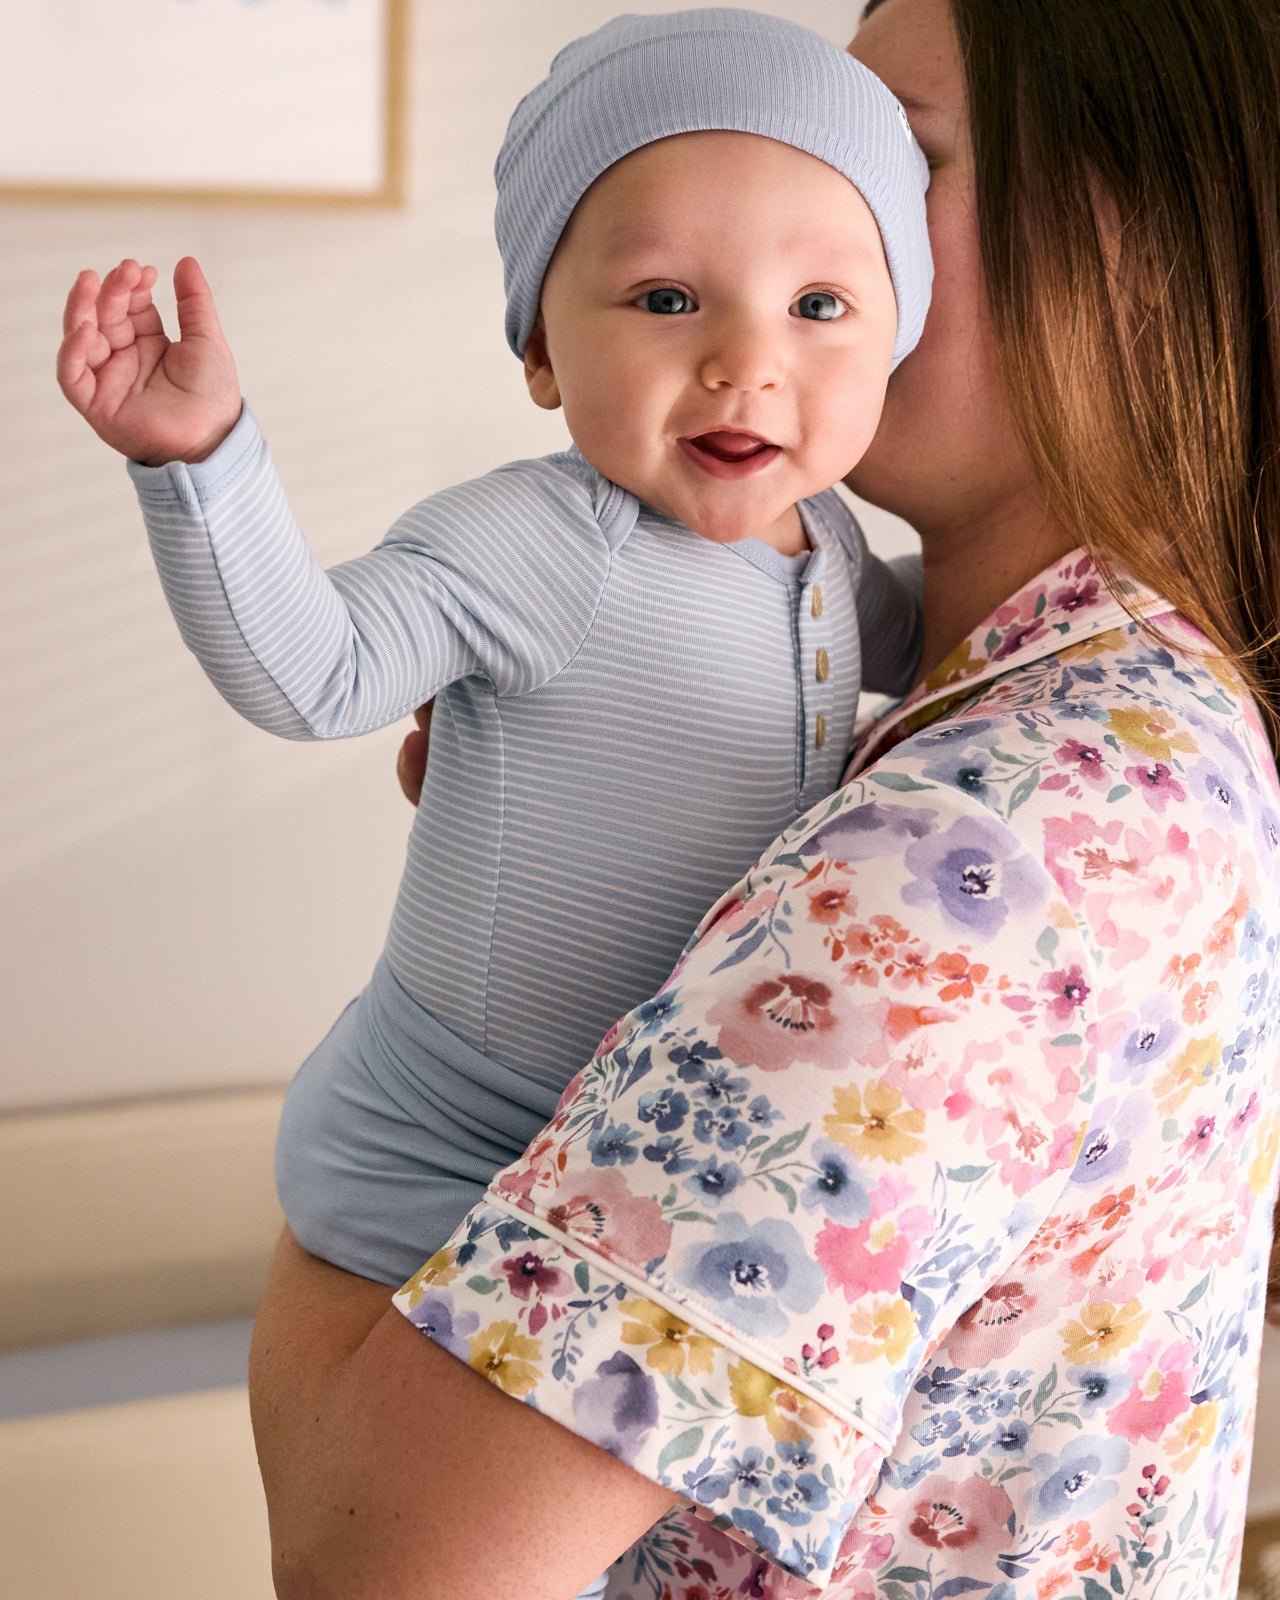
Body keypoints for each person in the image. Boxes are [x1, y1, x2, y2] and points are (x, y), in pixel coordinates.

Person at [231, 0, 1280, 1595]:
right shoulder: (1149, 717)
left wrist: (404, 1123)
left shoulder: (977, 850)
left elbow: (372, 1556)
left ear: (1141, 239)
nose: (789, 193)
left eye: (893, 158)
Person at [55, 17, 931, 1356]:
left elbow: (927, 646)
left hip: (641, 1148)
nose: (745, 361)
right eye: (665, 298)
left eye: (819, 308)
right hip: (448, 1148)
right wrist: (203, 460)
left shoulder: (830, 548)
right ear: (539, 353)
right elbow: (323, 673)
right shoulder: (537, 541)